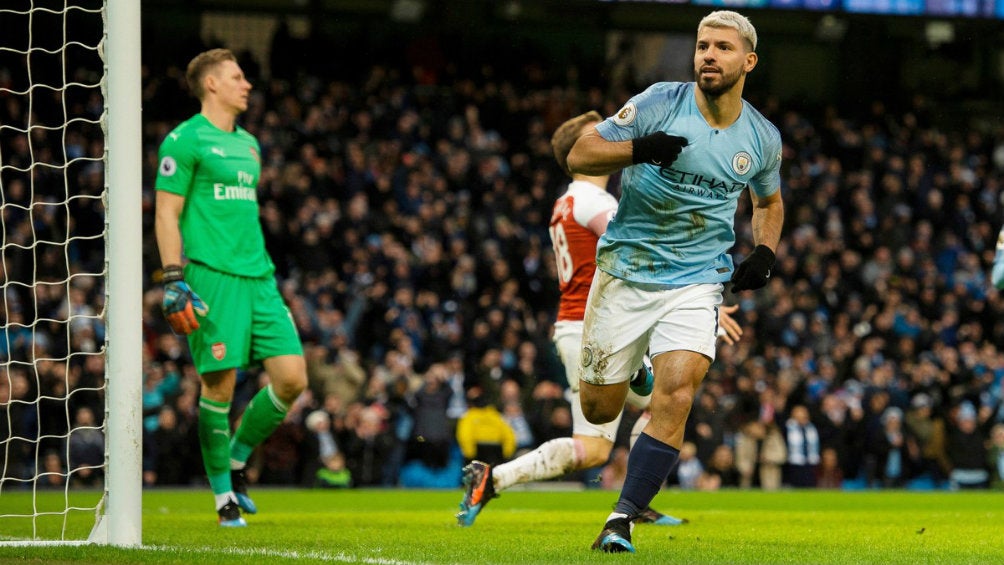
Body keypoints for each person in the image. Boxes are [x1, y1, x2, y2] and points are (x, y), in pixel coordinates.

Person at [456, 111, 741, 528]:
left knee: (639, 417)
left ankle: (630, 495)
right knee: (632, 421)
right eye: (603, 136)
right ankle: (500, 478)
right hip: (595, 332)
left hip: (581, 326)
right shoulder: (596, 201)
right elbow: (638, 249)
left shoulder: (567, 201)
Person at [566, 11, 784, 552]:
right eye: (703, 46)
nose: (709, 55)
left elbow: (769, 200)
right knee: (598, 409)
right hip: (625, 271)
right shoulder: (661, 100)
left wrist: (764, 250)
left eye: (723, 48)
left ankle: (621, 519)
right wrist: (639, 148)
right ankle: (634, 367)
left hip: (697, 279)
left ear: (748, 62)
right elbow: (581, 152)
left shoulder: (761, 137)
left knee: (679, 392)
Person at [154, 48, 307, 527]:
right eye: (238, 77)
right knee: (218, 387)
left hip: (259, 277)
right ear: (212, 84)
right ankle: (223, 497)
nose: (248, 85)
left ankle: (237, 460)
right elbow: (166, 213)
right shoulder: (183, 140)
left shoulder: (250, 145)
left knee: (292, 379)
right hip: (211, 277)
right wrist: (173, 276)